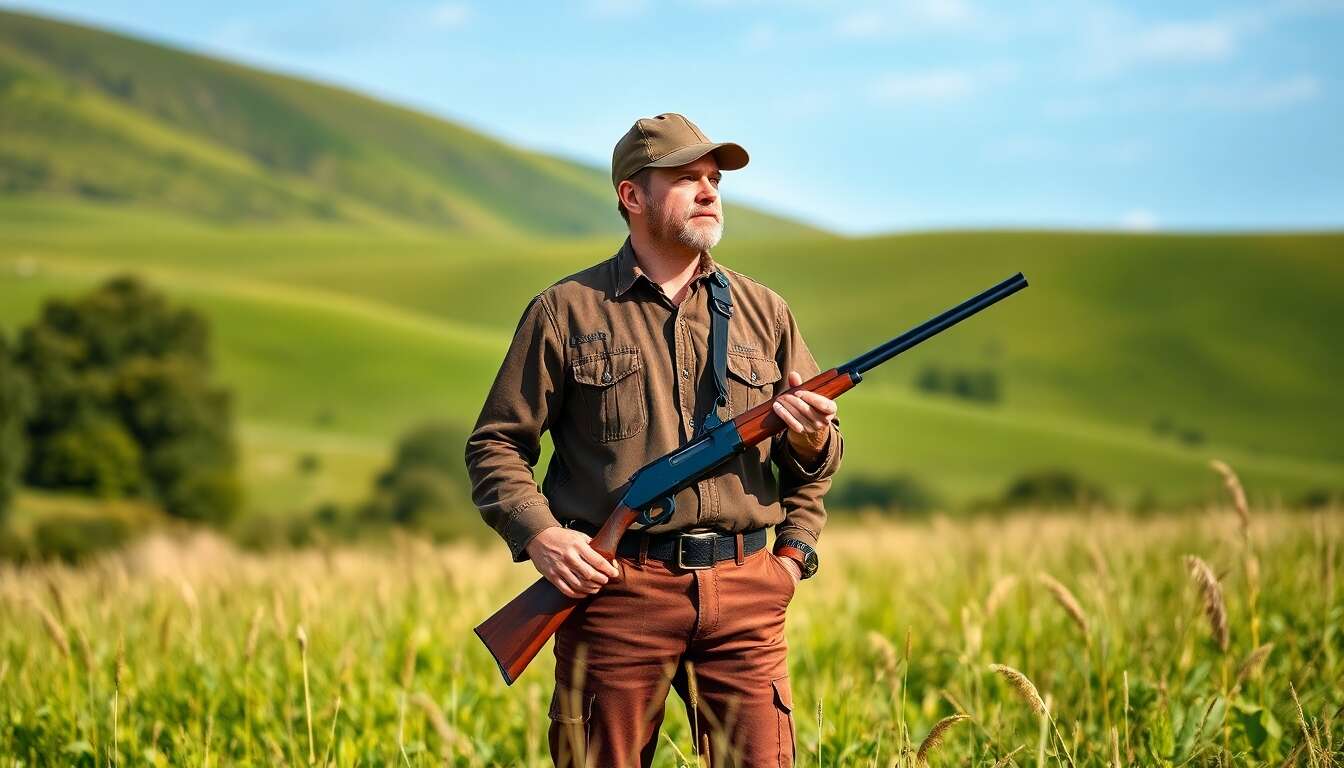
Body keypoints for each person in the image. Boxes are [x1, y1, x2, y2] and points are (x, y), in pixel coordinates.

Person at [465, 112, 842, 767]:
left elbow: (814, 466)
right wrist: (544, 537)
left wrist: (792, 555)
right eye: (686, 177)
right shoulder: (566, 311)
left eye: (714, 179)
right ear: (630, 196)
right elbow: (496, 446)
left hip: (747, 590)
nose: (709, 191)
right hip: (617, 595)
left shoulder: (766, 311)